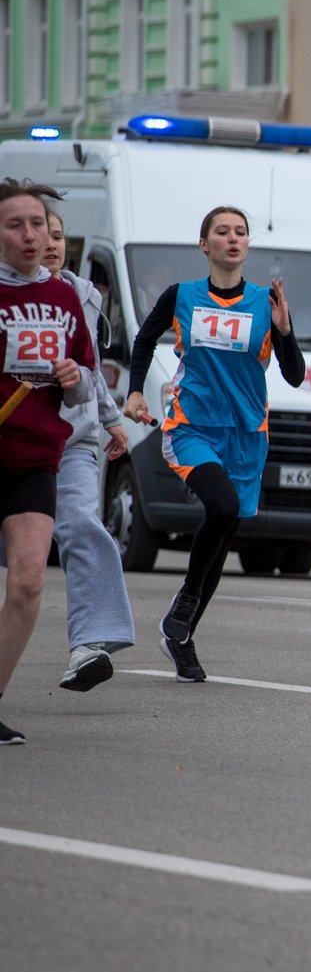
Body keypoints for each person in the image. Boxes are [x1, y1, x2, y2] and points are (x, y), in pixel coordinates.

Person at [124, 204, 306, 683]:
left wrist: (285, 332)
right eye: (222, 232)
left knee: (224, 534)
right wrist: (136, 390)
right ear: (203, 244)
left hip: (247, 436)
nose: (232, 239)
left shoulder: (269, 302)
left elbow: (295, 375)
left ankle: (180, 636)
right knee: (221, 508)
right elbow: (143, 340)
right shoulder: (180, 295)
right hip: (192, 428)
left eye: (240, 232)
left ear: (248, 245)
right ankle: (184, 603)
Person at [0, 179, 100, 743]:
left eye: (37, 224)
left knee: (30, 579)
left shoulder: (64, 297)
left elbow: (87, 380)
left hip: (34, 457)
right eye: (16, 225)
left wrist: (73, 377)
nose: (31, 235)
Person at [41, 208, 135, 693]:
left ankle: (90, 644)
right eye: (38, 232)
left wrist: (113, 420)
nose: (50, 242)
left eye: (57, 234)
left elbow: (91, 368)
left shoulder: (84, 297)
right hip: (15, 441)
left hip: (72, 439)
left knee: (81, 526)